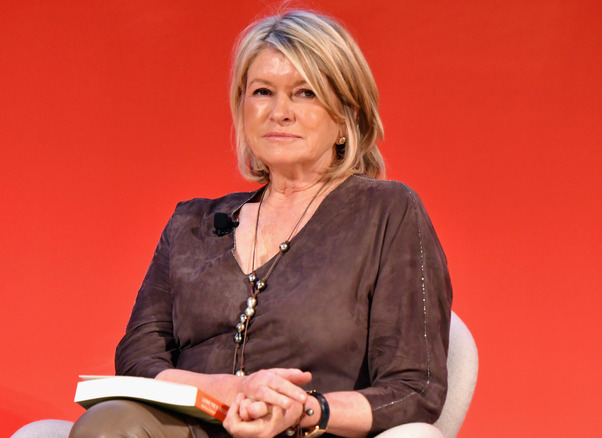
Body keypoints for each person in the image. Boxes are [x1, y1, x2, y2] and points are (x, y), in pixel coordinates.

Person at [70, 10, 452, 438]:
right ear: (242, 107)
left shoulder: (387, 212)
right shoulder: (192, 223)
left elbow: (414, 387)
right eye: (263, 92)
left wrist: (305, 410)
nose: (279, 112)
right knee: (108, 424)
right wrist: (227, 390)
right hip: (194, 427)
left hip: (309, 429)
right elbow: (140, 357)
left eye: (305, 93)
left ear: (346, 116)